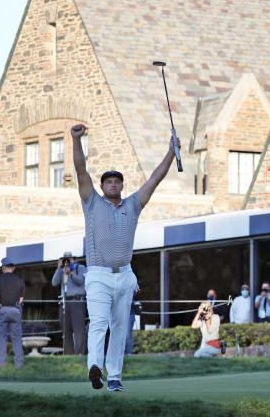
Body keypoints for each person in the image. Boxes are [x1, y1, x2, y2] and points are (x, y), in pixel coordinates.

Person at [71, 123, 179, 392]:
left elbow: (154, 179)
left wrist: (170, 152)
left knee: (120, 328)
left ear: (121, 185)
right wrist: (75, 140)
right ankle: (95, 368)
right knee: (98, 323)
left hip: (125, 275)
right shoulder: (91, 202)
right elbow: (80, 171)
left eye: (117, 181)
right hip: (97, 274)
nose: (113, 183)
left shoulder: (133, 204)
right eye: (108, 181)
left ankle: (115, 376)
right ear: (102, 185)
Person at [0, 257, 25, 369]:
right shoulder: (20, 281)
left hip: (2, 310)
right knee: (17, 339)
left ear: (3, 268)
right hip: (15, 310)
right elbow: (21, 299)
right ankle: (19, 365)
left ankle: (1, 365)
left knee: (1, 338)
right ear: (13, 268)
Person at [52, 251, 87, 355]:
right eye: (65, 259)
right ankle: (68, 355)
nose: (67, 261)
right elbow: (54, 283)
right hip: (65, 302)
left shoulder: (80, 268)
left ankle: (79, 353)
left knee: (78, 330)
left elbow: (81, 281)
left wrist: (71, 274)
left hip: (77, 301)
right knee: (66, 330)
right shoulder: (62, 270)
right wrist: (58, 268)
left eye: (69, 259)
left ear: (73, 259)